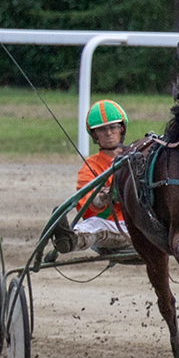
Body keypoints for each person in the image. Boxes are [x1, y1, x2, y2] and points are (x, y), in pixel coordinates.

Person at [53, 100, 132, 254]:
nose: (108, 133)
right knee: (94, 224)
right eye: (102, 129)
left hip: (143, 226)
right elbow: (91, 204)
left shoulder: (138, 155)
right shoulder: (89, 167)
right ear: (94, 134)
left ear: (121, 128)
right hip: (112, 228)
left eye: (112, 127)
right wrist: (105, 197)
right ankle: (70, 239)